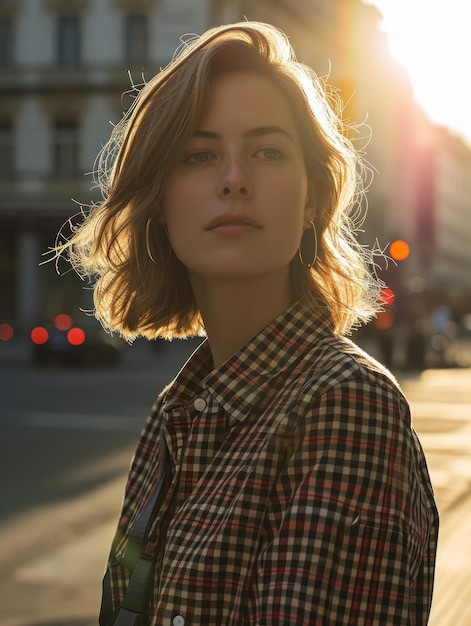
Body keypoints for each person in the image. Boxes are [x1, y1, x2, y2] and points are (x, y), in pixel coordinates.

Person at [54, 21, 438, 626]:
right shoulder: (178, 410)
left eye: (268, 151)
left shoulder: (346, 405)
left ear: (313, 198)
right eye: (199, 155)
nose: (234, 178)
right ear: (160, 201)